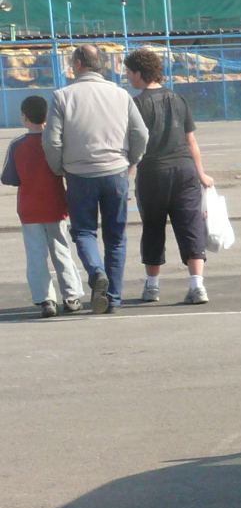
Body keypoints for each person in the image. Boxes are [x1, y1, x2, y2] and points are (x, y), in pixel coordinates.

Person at [44, 43, 146, 313]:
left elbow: (51, 141)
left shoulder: (62, 96)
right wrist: (131, 161)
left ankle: (96, 272)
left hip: (79, 175)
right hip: (115, 172)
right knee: (116, 238)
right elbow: (141, 134)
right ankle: (112, 298)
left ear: (79, 64)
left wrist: (59, 168)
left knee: (84, 232)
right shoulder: (120, 94)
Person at [124, 49, 214, 305]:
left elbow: (133, 144)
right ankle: (197, 286)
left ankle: (152, 286)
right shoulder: (177, 98)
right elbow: (190, 140)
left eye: (129, 72)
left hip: (153, 173)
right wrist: (201, 173)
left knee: (153, 228)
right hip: (185, 170)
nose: (127, 77)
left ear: (139, 73)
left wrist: (126, 175)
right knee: (190, 226)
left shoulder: (136, 104)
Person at [2, 95, 87, 316]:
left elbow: (9, 178)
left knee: (36, 255)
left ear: (24, 117)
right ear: (47, 117)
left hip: (29, 209)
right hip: (55, 205)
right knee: (61, 251)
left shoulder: (17, 145)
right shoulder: (55, 142)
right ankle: (72, 295)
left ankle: (45, 299)